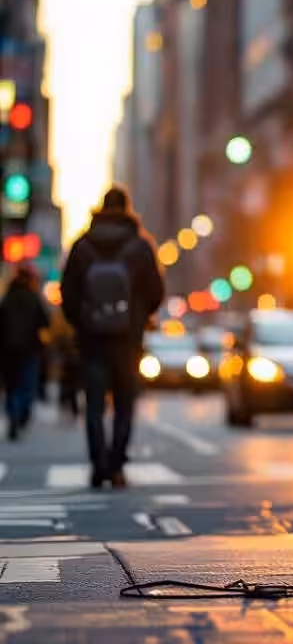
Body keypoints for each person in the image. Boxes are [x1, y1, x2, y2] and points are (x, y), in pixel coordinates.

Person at [61, 186, 164, 488]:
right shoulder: (141, 246)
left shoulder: (82, 246)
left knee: (94, 405)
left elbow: (68, 294)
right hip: (127, 340)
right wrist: (138, 317)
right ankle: (116, 466)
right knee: (124, 404)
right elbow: (156, 292)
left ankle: (98, 466)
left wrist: (83, 322)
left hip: (92, 339)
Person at [0, 265, 50, 440]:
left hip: (8, 350)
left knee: (12, 385)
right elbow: (45, 321)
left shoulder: (7, 298)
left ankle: (14, 416)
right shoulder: (33, 297)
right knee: (27, 384)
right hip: (30, 348)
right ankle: (21, 416)